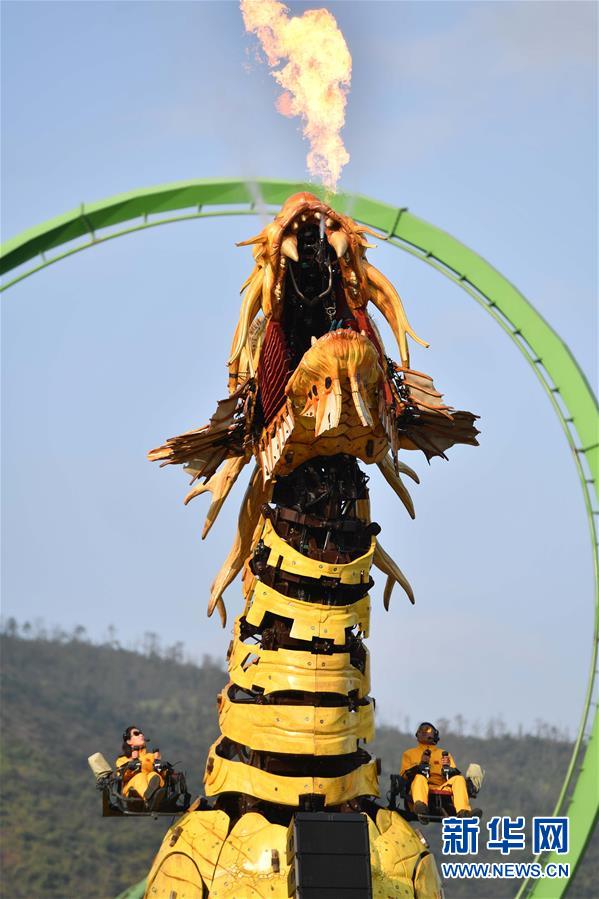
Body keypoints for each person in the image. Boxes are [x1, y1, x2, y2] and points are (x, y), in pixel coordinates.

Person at [400, 722, 482, 823]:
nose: (424, 731)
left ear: (434, 735)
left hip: (441, 786)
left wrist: (448, 769)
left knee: (459, 779)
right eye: (421, 730)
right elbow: (404, 776)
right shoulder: (409, 754)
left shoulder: (443, 754)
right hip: (419, 786)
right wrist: (419, 766)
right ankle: (421, 808)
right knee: (419, 778)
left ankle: (464, 812)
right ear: (417, 734)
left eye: (427, 729)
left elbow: (454, 775)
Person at [115, 725, 165, 805]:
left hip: (152, 786)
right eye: (136, 733)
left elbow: (164, 775)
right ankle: (149, 799)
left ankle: (151, 798)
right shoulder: (123, 759)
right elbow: (121, 776)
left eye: (141, 733)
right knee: (140, 776)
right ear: (129, 741)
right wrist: (132, 766)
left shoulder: (151, 756)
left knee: (154, 775)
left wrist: (161, 766)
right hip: (133, 792)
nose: (141, 735)